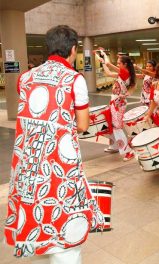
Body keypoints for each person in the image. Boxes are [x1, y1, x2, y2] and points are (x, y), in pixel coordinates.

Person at [4, 25, 104, 263]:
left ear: (48, 48)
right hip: (59, 163)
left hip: (28, 163)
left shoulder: (25, 77)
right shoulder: (74, 79)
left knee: (35, 209)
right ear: (72, 49)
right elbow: (82, 124)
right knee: (65, 218)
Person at [98, 52, 136, 161]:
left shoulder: (124, 73)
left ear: (125, 64)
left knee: (117, 127)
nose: (118, 65)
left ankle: (128, 150)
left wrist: (104, 55)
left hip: (118, 103)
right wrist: (103, 63)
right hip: (115, 102)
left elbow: (109, 64)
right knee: (111, 124)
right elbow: (109, 73)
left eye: (119, 63)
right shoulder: (123, 73)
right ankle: (115, 145)